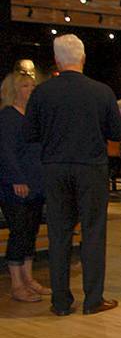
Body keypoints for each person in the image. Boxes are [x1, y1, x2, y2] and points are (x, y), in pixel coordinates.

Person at [23, 34, 121, 315]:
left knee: (59, 234)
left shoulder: (41, 93)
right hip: (90, 168)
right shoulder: (101, 91)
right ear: (83, 58)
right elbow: (116, 133)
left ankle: (61, 302)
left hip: (54, 168)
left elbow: (29, 133)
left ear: (56, 60)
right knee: (93, 232)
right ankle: (93, 300)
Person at [0, 70, 49, 302]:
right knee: (19, 233)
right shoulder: (8, 117)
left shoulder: (32, 116)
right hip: (16, 185)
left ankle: (28, 278)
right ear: (13, 91)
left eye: (32, 85)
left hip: (36, 182)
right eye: (25, 86)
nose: (30, 90)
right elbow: (6, 152)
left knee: (31, 231)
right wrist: (16, 179)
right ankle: (17, 283)